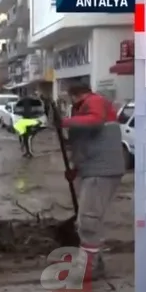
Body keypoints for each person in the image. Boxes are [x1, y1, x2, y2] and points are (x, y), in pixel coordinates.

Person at [60, 82, 126, 280]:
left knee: (88, 220)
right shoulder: (83, 109)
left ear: (74, 94)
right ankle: (96, 263)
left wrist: (64, 122)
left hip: (102, 170)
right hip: (93, 169)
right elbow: (85, 145)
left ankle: (89, 268)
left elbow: (96, 121)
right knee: (90, 219)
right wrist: (76, 169)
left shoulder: (95, 101)